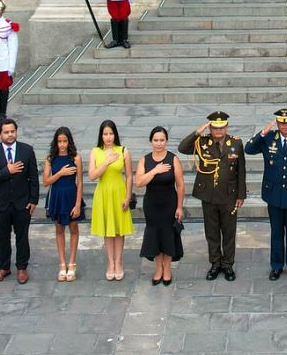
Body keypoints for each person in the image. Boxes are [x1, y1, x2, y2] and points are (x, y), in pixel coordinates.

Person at [246, 108, 287, 279]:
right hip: (274, 194)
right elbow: (248, 149)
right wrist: (262, 133)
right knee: (276, 232)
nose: (285, 125)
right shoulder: (268, 138)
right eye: (281, 122)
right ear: (277, 123)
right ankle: (276, 266)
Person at [179, 112, 247, 280]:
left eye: (221, 127)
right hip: (208, 195)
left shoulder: (236, 143)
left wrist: (241, 195)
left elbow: (241, 171)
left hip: (229, 196)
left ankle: (228, 265)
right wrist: (196, 133)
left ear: (226, 127)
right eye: (215, 128)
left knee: (229, 233)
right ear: (210, 128)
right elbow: (182, 148)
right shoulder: (202, 142)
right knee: (212, 232)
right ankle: (215, 263)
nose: (218, 130)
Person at [0, 117, 39, 285]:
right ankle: (3, 267)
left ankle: (22, 267)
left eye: (12, 131)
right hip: (0, 204)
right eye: (6, 132)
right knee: (2, 236)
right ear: (0, 134)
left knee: (22, 236)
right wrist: (6, 171)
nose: (10, 135)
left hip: (22, 203)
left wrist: (33, 200)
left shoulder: (26, 150)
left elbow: (33, 177)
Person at [135, 126, 185, 285]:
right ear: (151, 141)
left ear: (167, 141)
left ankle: (167, 268)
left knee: (168, 234)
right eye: (155, 140)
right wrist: (155, 170)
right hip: (152, 205)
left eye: (162, 140)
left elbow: (181, 185)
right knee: (154, 235)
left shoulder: (173, 159)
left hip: (169, 203)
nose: (158, 143)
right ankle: (158, 268)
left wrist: (179, 207)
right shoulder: (145, 160)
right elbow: (139, 183)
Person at [89, 119, 134, 281]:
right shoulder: (95, 151)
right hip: (103, 192)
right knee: (108, 229)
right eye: (105, 134)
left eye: (111, 133)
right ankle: (110, 263)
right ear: (101, 135)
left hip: (119, 192)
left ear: (115, 134)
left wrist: (128, 196)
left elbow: (129, 176)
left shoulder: (123, 151)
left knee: (119, 229)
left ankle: (119, 261)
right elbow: (92, 176)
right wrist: (106, 162)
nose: (108, 137)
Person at [43, 126, 85, 281]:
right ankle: (62, 263)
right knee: (59, 229)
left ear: (69, 142)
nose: (62, 144)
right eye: (59, 141)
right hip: (57, 195)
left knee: (74, 227)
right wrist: (60, 173)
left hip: (71, 194)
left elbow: (80, 182)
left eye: (64, 141)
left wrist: (78, 204)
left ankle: (72, 262)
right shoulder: (50, 158)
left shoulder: (76, 158)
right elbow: (46, 182)